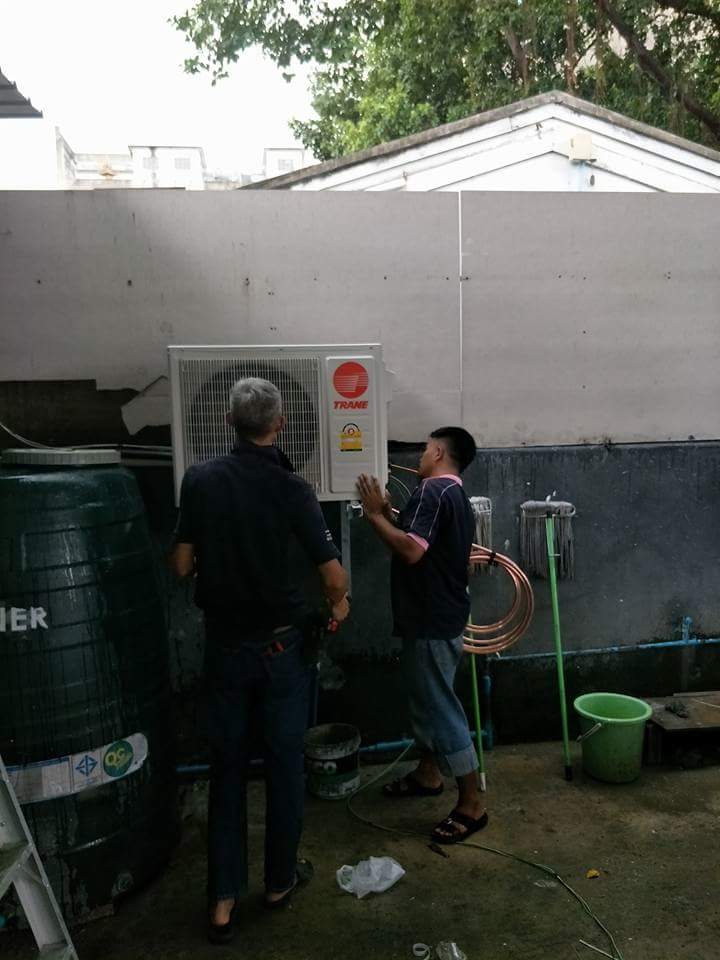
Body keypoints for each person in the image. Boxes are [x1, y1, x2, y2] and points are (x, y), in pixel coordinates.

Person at [170, 377, 349, 945]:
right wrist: (339, 603)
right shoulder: (293, 489)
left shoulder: (199, 480)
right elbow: (333, 575)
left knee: (226, 770)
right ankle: (277, 882)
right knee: (284, 765)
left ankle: (222, 902)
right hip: (281, 652)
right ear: (281, 425)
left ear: (228, 422)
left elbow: (180, 566)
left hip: (224, 649)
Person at [357, 426, 486, 845]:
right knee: (427, 700)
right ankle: (429, 773)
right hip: (438, 615)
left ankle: (472, 804)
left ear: (439, 452)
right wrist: (389, 514)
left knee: (440, 708)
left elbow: (412, 550)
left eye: (426, 449)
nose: (420, 456)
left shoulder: (434, 490)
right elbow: (423, 541)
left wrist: (374, 515)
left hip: (431, 618)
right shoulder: (452, 493)